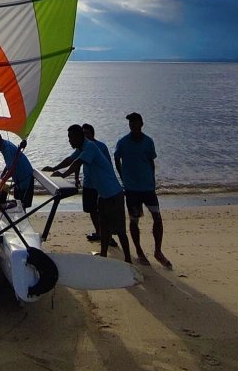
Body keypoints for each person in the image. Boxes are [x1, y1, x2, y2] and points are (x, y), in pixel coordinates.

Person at [51, 124, 131, 262]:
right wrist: (54, 168)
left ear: (78, 137)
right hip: (103, 194)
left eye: (70, 137)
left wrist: (63, 175)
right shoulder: (81, 147)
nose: (69, 140)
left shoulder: (90, 147)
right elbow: (70, 160)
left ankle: (128, 259)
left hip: (113, 193)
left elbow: (77, 163)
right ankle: (104, 255)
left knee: (120, 230)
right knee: (104, 228)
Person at [114, 112, 172, 268]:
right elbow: (116, 157)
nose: (132, 125)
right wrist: (122, 177)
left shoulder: (148, 142)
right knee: (134, 220)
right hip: (132, 190)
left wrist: (152, 181)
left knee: (157, 218)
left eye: (135, 122)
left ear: (141, 124)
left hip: (148, 189)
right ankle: (139, 251)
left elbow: (151, 162)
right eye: (130, 123)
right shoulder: (123, 142)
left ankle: (158, 251)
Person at [0, 129, 35, 208]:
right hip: (18, 179)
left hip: (25, 178)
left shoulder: (7, 148)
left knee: (22, 205)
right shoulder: (3, 146)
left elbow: (11, 170)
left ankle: (22, 219)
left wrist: (2, 182)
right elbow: (9, 164)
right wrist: (2, 175)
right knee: (18, 201)